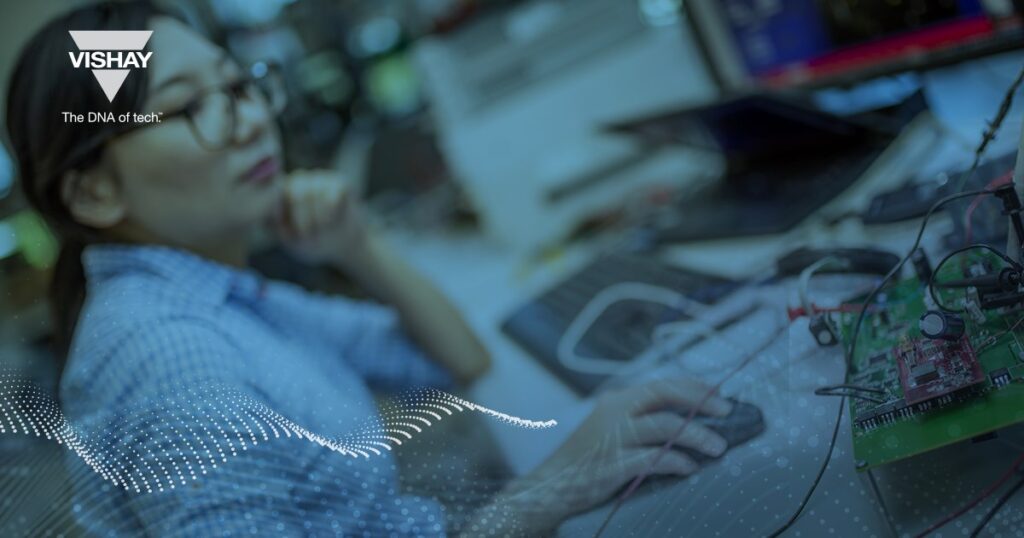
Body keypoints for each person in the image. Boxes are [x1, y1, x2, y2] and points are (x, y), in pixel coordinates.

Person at [5, 2, 734, 535]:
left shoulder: (216, 297)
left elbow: (457, 357)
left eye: (237, 87)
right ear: (93, 192)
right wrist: (550, 489)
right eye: (190, 107)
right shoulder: (170, 357)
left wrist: (354, 243)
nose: (252, 121)